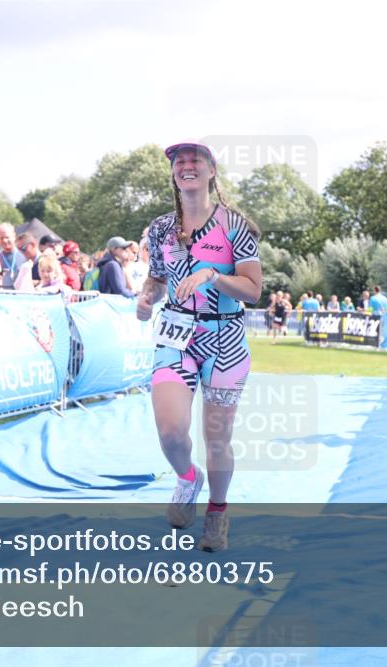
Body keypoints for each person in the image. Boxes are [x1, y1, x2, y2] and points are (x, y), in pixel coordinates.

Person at [136, 141, 262, 552]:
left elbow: (253, 290)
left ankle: (217, 513)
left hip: (225, 340)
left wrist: (212, 275)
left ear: (211, 171)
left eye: (195, 160)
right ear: (174, 172)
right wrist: (147, 297)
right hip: (176, 337)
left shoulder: (234, 226)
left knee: (217, 439)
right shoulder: (160, 228)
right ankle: (188, 479)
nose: (186, 166)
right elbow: (157, 278)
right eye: (179, 161)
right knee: (171, 432)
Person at [0, 223, 26, 289]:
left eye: (7, 237)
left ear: (14, 236)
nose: (4, 240)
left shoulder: (24, 256)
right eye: (1, 238)